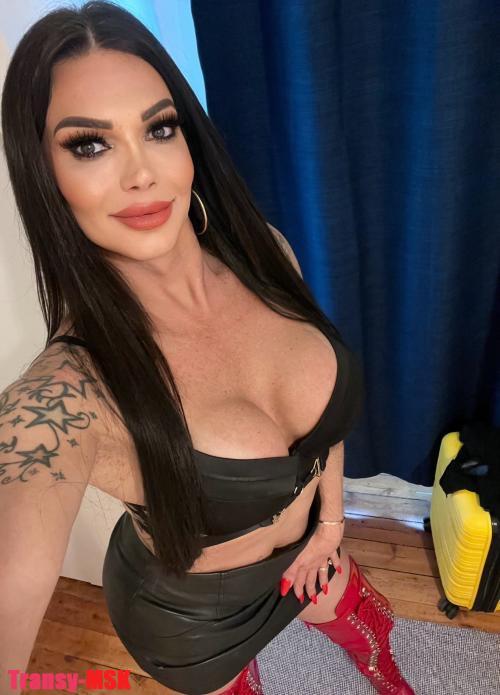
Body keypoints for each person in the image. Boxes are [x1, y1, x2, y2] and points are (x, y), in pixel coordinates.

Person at [0, 2, 414, 694]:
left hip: (313, 545)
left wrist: (329, 524)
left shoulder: (266, 252)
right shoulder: (67, 394)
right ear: (43, 172)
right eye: (90, 145)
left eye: (159, 128)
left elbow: (322, 427)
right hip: (193, 622)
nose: (142, 173)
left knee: (364, 626)